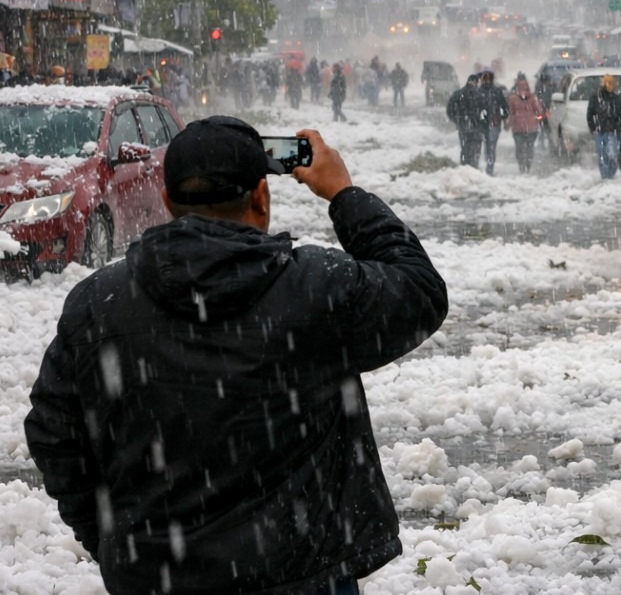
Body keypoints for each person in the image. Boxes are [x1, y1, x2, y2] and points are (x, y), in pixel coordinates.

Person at [24, 116, 449, 595]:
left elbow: (53, 433)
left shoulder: (97, 304)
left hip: (157, 578)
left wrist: (111, 537)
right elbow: (420, 292)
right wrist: (344, 195)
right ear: (261, 199)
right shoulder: (315, 288)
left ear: (168, 202)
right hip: (302, 579)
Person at [505, 74, 544, 173]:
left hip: (517, 128)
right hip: (531, 128)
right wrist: (537, 120)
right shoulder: (533, 98)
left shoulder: (513, 98)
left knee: (519, 148)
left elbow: (511, 113)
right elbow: (539, 112)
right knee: (530, 147)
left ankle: (521, 166)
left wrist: (508, 124)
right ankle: (528, 165)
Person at [446, 73, 485, 168]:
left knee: (465, 148)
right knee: (475, 148)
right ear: (475, 82)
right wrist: (483, 123)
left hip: (463, 126)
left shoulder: (458, 94)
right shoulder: (479, 94)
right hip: (476, 126)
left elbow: (449, 110)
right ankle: (473, 167)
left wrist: (457, 120)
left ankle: (464, 166)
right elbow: (485, 110)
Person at [587, 73, 621, 179]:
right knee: (602, 156)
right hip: (601, 131)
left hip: (612, 131)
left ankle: (610, 175)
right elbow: (590, 114)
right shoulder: (596, 98)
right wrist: (593, 128)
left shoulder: (616, 98)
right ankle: (605, 177)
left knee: (612, 156)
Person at [477, 68, 509, 176]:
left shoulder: (496, 91)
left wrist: (505, 119)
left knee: (491, 145)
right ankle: (488, 163)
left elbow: (504, 106)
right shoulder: (479, 92)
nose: (486, 81)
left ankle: (490, 167)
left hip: (494, 122)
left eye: (488, 78)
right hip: (483, 123)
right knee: (487, 145)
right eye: (485, 78)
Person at [534, 72, 555, 148]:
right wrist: (546, 111)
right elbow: (547, 101)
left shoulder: (538, 88)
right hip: (546, 112)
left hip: (540, 112)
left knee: (542, 126)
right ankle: (549, 142)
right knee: (547, 127)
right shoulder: (548, 89)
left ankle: (542, 141)